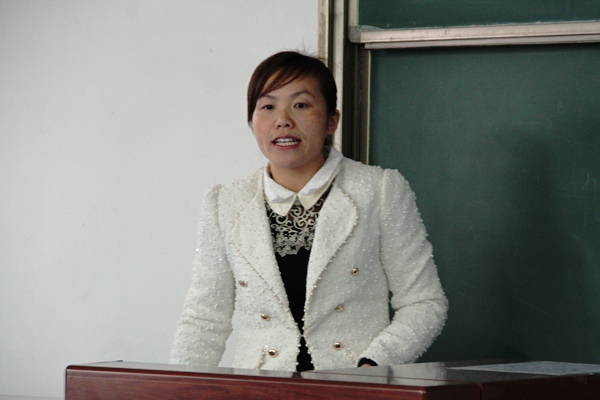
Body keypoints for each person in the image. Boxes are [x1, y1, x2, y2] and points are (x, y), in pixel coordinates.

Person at [169, 51, 448, 372]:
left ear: (332, 120)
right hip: (259, 389)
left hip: (355, 384)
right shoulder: (225, 202)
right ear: (252, 121)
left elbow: (424, 302)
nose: (283, 120)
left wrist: (373, 365)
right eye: (267, 106)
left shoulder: (379, 190)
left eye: (301, 105)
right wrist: (178, 388)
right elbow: (204, 318)